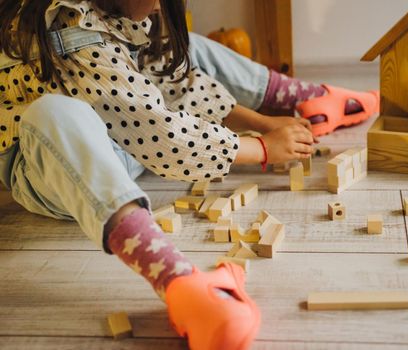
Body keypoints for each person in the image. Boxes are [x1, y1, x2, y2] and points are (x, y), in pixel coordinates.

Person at [0, 0, 378, 348]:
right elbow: (160, 135)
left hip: (129, 136)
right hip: (55, 168)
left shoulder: (120, 13)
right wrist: (261, 149)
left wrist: (263, 124)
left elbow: (175, 80)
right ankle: (178, 282)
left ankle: (303, 98)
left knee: (183, 47)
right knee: (54, 114)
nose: (158, 7)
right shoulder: (71, 31)